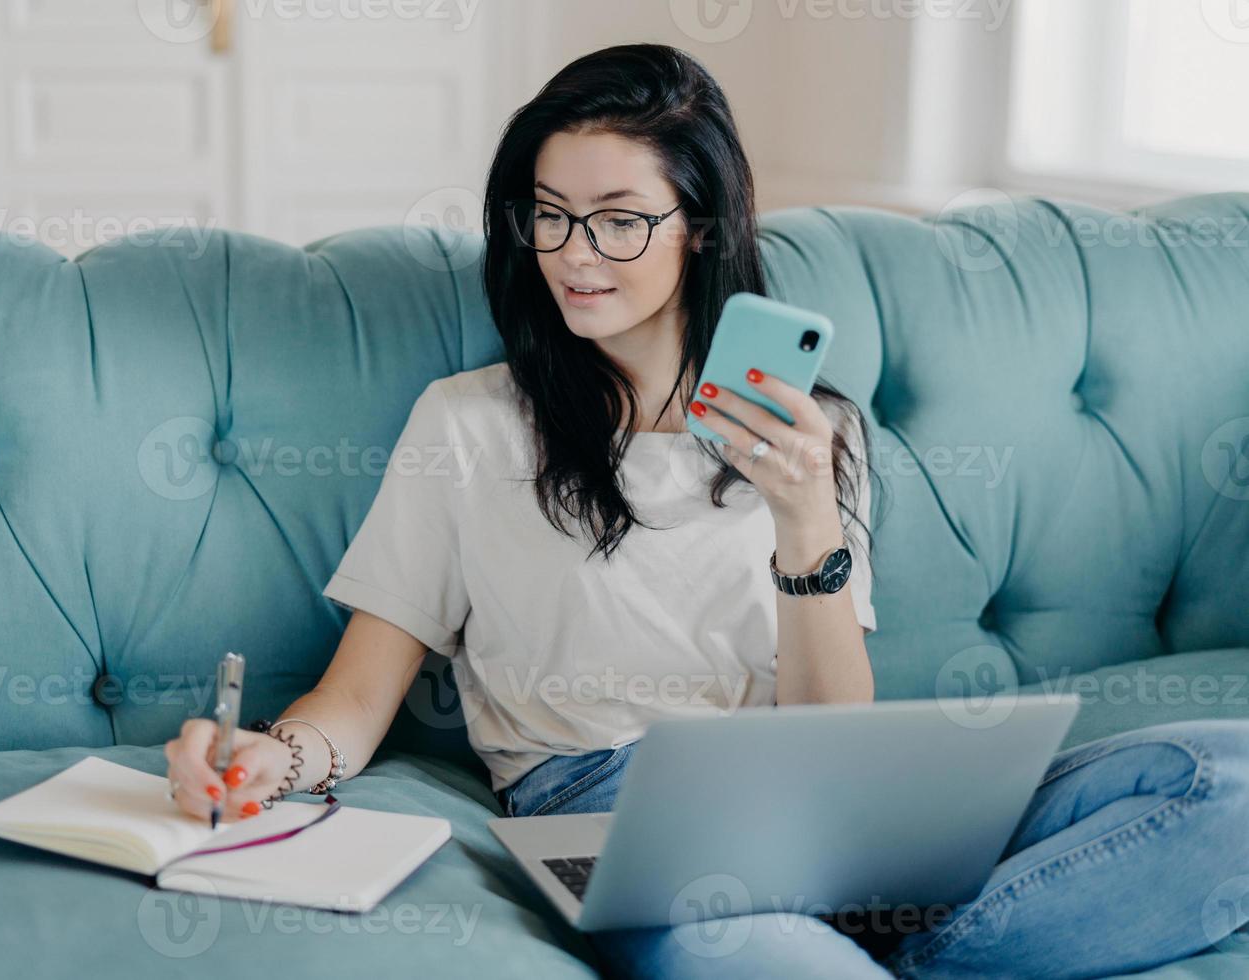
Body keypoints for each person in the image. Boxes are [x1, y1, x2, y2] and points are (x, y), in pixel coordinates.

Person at [165, 43, 1249, 978]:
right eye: (549, 216)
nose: (574, 256)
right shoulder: (467, 424)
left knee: (1227, 783)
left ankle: (906, 943)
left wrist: (806, 524)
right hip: (610, 806)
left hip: (820, 798)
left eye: (620, 221)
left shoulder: (810, 430)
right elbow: (356, 696)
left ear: (704, 226)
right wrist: (275, 756)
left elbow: (832, 736)